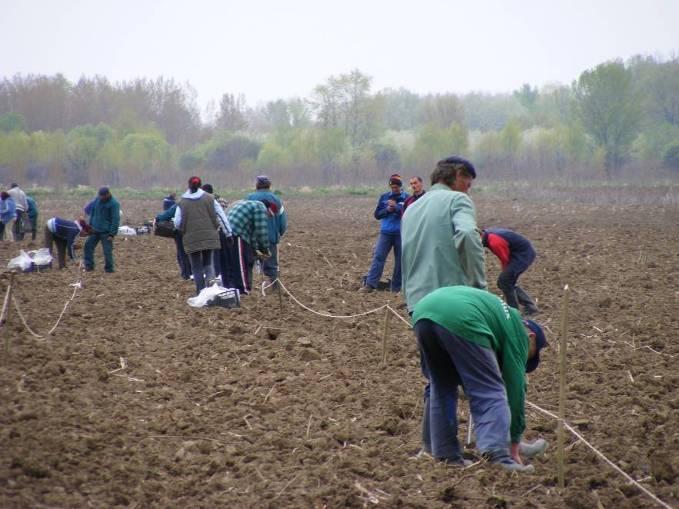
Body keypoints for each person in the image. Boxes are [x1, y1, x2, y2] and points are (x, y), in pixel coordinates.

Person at [412, 285, 547, 471]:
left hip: (425, 311)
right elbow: (515, 390)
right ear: (531, 337)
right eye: (531, 354)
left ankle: (445, 455)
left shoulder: (500, 318)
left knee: (441, 386)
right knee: (489, 389)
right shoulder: (518, 331)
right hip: (460, 316)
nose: (526, 359)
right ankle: (498, 456)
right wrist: (514, 441)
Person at [401, 156, 486, 313]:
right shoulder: (458, 199)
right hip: (453, 301)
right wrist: (479, 289)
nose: (468, 190)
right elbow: (467, 234)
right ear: (459, 174)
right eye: (468, 185)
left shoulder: (410, 210)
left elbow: (405, 255)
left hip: (417, 305)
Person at [174, 177, 227, 294]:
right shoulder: (210, 198)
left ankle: (200, 291)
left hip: (191, 238)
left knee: (196, 267)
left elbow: (177, 223)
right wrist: (229, 233)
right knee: (209, 264)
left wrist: (184, 229)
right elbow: (221, 215)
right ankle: (211, 288)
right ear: (200, 185)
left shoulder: (182, 201)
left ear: (189, 185)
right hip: (209, 236)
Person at [360, 174, 408, 292]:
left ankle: (396, 288)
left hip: (400, 233)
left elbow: (408, 213)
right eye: (392, 187)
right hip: (385, 233)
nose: (394, 189)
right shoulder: (384, 197)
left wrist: (396, 208)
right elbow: (377, 215)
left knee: (400, 261)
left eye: (396, 187)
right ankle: (370, 284)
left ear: (400, 187)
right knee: (378, 257)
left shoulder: (407, 198)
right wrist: (387, 210)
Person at [482, 228, 539, 315]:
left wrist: (506, 274)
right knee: (507, 282)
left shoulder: (494, 241)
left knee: (504, 282)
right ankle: (530, 307)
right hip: (518, 254)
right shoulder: (488, 234)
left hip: (524, 255)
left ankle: (513, 313)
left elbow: (505, 259)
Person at [246, 176, 288, 284]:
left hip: (251, 238)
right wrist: (279, 233)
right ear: (269, 185)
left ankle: (248, 288)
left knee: (248, 264)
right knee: (272, 267)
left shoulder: (249, 198)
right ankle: (275, 286)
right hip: (270, 238)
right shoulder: (276, 199)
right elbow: (282, 221)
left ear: (257, 185)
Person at [223, 200, 270, 294]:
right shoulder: (261, 208)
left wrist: (256, 249)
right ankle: (243, 289)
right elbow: (261, 232)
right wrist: (265, 249)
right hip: (236, 233)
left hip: (225, 232)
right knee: (242, 262)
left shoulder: (249, 205)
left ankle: (230, 289)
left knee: (230, 263)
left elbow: (252, 235)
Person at [83, 187, 121, 273]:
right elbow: (93, 212)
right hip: (94, 230)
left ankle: (109, 269)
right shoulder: (97, 200)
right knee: (88, 246)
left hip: (106, 232)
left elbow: (115, 219)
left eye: (102, 196)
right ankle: (89, 266)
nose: (100, 198)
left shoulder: (114, 204)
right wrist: (89, 226)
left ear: (107, 194)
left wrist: (112, 234)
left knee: (107, 251)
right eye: (99, 196)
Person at [201, 183, 233, 280]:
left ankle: (212, 275)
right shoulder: (222, 201)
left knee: (212, 256)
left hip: (210, 232)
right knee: (222, 255)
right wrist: (228, 233)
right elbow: (225, 216)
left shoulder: (203, 201)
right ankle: (221, 275)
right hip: (221, 231)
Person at [155, 204, 191, 280]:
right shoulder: (207, 200)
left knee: (182, 253)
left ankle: (187, 274)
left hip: (182, 231)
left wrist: (158, 218)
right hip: (199, 232)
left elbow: (167, 215)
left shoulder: (182, 202)